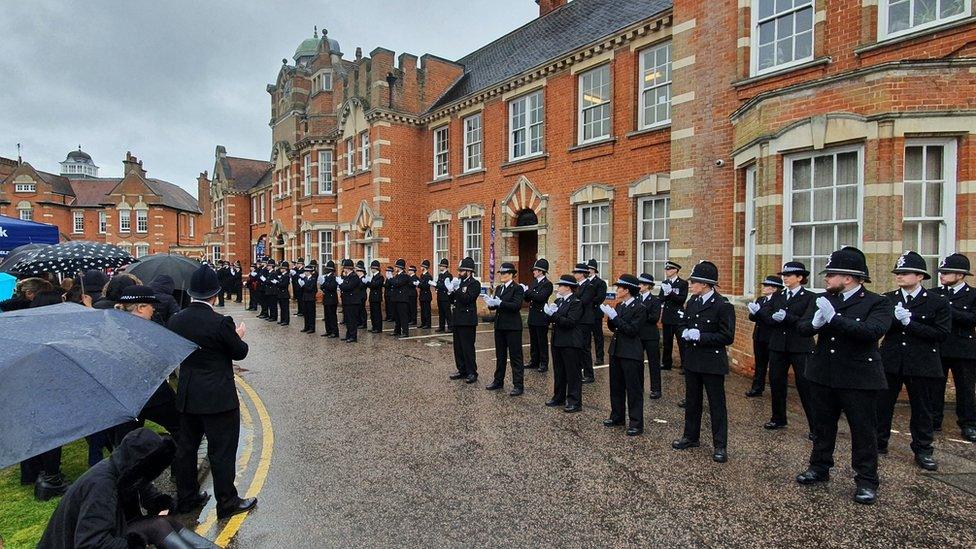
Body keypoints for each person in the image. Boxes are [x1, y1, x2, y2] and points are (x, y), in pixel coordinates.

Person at [795, 246, 891, 505]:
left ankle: (866, 480)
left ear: (848, 277)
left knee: (863, 430)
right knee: (823, 426)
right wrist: (814, 324)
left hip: (858, 376)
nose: (826, 279)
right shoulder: (823, 299)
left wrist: (834, 319)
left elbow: (872, 332)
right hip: (823, 373)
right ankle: (819, 467)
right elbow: (802, 327)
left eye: (831, 274)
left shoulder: (877, 302)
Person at [167, 265, 255, 518]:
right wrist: (238, 336)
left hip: (188, 394)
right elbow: (240, 352)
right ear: (214, 295)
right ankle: (226, 502)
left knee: (187, 449)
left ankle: (187, 497)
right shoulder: (221, 323)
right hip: (218, 397)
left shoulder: (176, 320)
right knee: (222, 452)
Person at [38, 428, 219, 549]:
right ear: (138, 465)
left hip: (107, 533)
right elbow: (90, 543)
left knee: (166, 522)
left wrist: (160, 502)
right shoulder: (101, 485)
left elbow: (147, 492)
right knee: (157, 526)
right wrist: (131, 545)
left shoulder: (125, 471)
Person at [876, 251, 950, 471]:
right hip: (891, 360)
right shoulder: (888, 299)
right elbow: (880, 328)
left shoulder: (937, 302)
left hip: (922, 362)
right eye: (898, 272)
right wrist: (893, 320)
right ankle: (879, 443)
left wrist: (910, 322)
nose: (899, 276)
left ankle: (923, 449)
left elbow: (941, 333)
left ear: (920, 276)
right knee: (882, 405)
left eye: (905, 273)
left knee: (922, 409)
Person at [671, 261, 735, 463]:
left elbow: (727, 336)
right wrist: (685, 333)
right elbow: (682, 324)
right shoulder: (693, 302)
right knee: (692, 401)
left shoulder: (722, 305)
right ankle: (691, 436)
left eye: (695, 282)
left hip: (712, 362)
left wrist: (702, 336)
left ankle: (720, 445)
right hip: (692, 360)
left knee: (716, 404)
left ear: (706, 284)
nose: (691, 285)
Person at [113, 286, 181, 441]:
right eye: (151, 306)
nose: (153, 310)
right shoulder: (148, 329)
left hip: (125, 398)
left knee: (126, 445)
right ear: (140, 307)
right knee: (183, 430)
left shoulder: (112, 325)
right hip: (154, 394)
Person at [757, 263, 816, 437]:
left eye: (789, 275)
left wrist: (787, 317)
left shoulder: (809, 297)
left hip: (800, 346)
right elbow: (766, 314)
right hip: (778, 345)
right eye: (784, 275)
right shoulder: (778, 295)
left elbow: (808, 321)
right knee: (776, 382)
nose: (785, 278)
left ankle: (815, 426)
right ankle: (778, 418)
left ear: (799, 278)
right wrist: (770, 317)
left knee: (805, 385)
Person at [21, 290, 70, 500]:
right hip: (48, 386)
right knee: (51, 432)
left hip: (30, 386)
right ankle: (51, 478)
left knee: (34, 429)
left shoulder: (28, 326)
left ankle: (32, 473)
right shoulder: (54, 329)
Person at [932, 253, 976, 442]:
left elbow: (972, 319)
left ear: (960, 275)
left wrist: (947, 308)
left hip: (963, 348)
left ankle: (968, 424)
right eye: (941, 271)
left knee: (965, 388)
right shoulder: (935, 293)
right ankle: (934, 420)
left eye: (947, 272)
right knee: (935, 386)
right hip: (939, 346)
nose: (942, 275)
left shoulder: (973, 295)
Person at [600, 274, 648, 436]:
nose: (617, 290)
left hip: (631, 352)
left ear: (627, 290)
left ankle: (636, 422)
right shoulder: (620, 305)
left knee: (633, 389)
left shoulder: (640, 308)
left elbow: (632, 330)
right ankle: (617, 416)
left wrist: (615, 318)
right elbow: (615, 328)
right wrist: (610, 318)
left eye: (620, 287)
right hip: (616, 350)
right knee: (616, 386)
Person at [484, 262, 526, 396]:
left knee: (515, 357)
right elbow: (496, 306)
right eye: (501, 273)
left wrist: (500, 303)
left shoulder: (517, 288)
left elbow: (516, 306)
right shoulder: (499, 288)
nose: (502, 275)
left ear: (512, 275)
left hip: (513, 327)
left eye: (505, 273)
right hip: (500, 325)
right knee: (500, 356)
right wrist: (491, 304)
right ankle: (498, 381)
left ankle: (518, 385)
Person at [544, 275, 584, 412]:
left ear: (568, 287)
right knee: (559, 371)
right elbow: (553, 320)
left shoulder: (576, 302)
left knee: (572, 373)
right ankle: (558, 397)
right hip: (558, 341)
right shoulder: (559, 301)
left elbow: (570, 322)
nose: (558, 287)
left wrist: (554, 315)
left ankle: (574, 401)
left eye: (560, 285)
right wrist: (548, 314)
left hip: (570, 342)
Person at [745, 276, 781, 398]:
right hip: (759, 336)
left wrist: (759, 312)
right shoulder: (761, 299)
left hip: (771, 337)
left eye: (766, 286)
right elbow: (753, 317)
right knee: (760, 363)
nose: (764, 288)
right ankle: (757, 388)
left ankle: (776, 390)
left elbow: (771, 320)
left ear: (774, 288)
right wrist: (754, 312)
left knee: (774, 365)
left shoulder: (778, 301)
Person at [448, 257, 481, 383]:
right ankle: (461, 369)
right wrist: (450, 291)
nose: (459, 273)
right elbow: (452, 300)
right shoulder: (460, 282)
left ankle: (472, 372)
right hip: (457, 318)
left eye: (462, 271)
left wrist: (456, 290)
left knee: (467, 347)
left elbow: (468, 299)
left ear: (469, 271)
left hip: (467, 320)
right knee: (458, 347)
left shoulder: (474, 284)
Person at [523, 258, 553, 373]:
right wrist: (525, 292)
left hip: (541, 316)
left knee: (542, 341)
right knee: (533, 340)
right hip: (533, 315)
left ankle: (544, 362)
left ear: (541, 271)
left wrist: (529, 292)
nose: (533, 272)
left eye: (535, 270)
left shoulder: (547, 284)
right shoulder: (534, 282)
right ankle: (534, 360)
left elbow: (540, 297)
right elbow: (528, 298)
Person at [636, 273, 662, 399]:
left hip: (651, 335)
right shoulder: (637, 299)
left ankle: (656, 389)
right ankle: (639, 387)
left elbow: (654, 318)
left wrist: (642, 312)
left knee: (654, 363)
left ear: (647, 286)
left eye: (640, 284)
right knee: (638, 362)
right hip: (638, 335)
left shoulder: (655, 300)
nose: (639, 286)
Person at [659, 261, 689, 370]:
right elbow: (661, 298)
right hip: (667, 316)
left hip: (678, 317)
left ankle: (685, 365)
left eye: (669, 269)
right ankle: (666, 363)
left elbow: (681, 300)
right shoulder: (665, 282)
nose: (667, 271)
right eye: (666, 269)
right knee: (667, 342)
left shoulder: (682, 283)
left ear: (675, 270)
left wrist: (671, 293)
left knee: (682, 342)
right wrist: (666, 294)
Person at [573, 263, 597, 383]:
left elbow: (583, 301)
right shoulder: (576, 286)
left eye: (576, 272)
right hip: (578, 319)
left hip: (585, 320)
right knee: (578, 347)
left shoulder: (589, 286)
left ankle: (589, 374)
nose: (574, 274)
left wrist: (572, 300)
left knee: (585, 348)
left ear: (582, 274)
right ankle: (579, 370)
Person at [585, 259, 608, 366]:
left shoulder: (600, 283)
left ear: (594, 270)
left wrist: (587, 300)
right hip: (584, 313)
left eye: (589, 269)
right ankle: (586, 356)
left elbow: (600, 297)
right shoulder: (584, 282)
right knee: (586, 337)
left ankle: (600, 357)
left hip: (595, 313)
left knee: (598, 336)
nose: (588, 271)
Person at [338, 259, 363, 342]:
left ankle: (353, 336)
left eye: (344, 267)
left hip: (353, 301)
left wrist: (341, 283)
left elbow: (348, 287)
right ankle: (348, 335)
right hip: (347, 301)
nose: (343, 269)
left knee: (352, 320)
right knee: (348, 320)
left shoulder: (354, 276)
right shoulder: (347, 276)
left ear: (347, 268)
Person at [389, 259, 412, 338]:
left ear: (399, 267)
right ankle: (397, 330)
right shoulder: (397, 275)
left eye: (396, 267)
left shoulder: (404, 276)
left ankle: (405, 332)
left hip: (402, 299)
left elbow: (397, 283)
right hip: (396, 298)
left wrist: (390, 278)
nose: (395, 268)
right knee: (397, 316)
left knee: (403, 316)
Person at [319, 260, 340, 338]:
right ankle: (328, 330)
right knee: (327, 316)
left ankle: (334, 332)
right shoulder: (326, 277)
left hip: (332, 299)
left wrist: (324, 285)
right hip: (327, 298)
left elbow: (331, 287)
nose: (325, 269)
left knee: (332, 316)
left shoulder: (333, 277)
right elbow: (322, 286)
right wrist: (324, 286)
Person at [435, 259, 454, 333]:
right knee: (441, 312)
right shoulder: (440, 275)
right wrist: (436, 286)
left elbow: (447, 286)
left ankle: (450, 326)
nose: (440, 267)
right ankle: (441, 326)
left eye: (441, 266)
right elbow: (438, 284)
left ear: (445, 266)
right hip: (440, 295)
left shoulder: (448, 275)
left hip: (446, 296)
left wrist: (438, 285)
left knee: (447, 312)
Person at [299, 265, 319, 334]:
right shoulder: (305, 279)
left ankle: (312, 327)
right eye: (305, 271)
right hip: (305, 297)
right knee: (306, 313)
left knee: (311, 313)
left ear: (310, 272)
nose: (305, 272)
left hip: (311, 298)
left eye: (306, 271)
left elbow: (311, 289)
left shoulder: (313, 279)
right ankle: (306, 326)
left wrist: (303, 285)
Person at [367, 260, 385, 333]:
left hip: (377, 297)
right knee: (373, 313)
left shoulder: (380, 277)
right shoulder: (374, 276)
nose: (371, 269)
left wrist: (368, 283)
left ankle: (378, 328)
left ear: (375, 268)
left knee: (377, 313)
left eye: (372, 268)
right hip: (373, 297)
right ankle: (374, 326)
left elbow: (375, 285)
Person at [274, 261, 291, 326]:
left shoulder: (286, 276)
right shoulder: (282, 275)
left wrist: (277, 283)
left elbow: (284, 284)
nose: (280, 270)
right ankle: (282, 319)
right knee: (282, 308)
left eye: (282, 268)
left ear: (285, 269)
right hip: (281, 293)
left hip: (284, 294)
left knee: (285, 308)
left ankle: (286, 320)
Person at [418, 260, 434, 329]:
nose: (421, 267)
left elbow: (426, 286)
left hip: (426, 295)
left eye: (422, 266)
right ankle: (423, 323)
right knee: (422, 310)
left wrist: (419, 284)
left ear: (425, 267)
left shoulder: (428, 276)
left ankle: (428, 324)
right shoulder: (422, 275)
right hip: (422, 294)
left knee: (427, 310)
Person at [356, 261, 369, 330]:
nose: (356, 272)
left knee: (362, 310)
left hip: (362, 296)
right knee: (358, 310)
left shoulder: (363, 278)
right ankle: (359, 322)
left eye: (358, 271)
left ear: (361, 271)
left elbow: (361, 286)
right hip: (358, 296)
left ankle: (364, 323)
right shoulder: (358, 278)